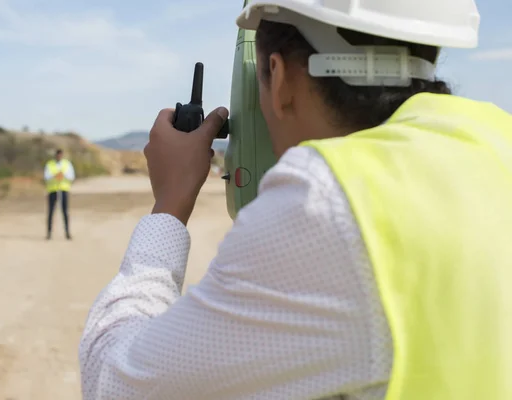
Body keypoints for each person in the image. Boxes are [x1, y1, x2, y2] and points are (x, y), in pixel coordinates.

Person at [79, 1, 512, 399]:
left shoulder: (327, 202)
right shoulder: (498, 142)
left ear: (280, 77)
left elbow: (116, 382)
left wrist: (170, 205)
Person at [44, 149, 74, 240]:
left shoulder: (67, 164)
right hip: (53, 190)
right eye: (58, 155)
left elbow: (71, 176)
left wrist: (63, 175)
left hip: (63, 189)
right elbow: (46, 176)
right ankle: (49, 233)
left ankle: (67, 232)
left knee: (65, 212)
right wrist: (55, 175)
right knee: (51, 212)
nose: (59, 156)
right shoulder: (49, 164)